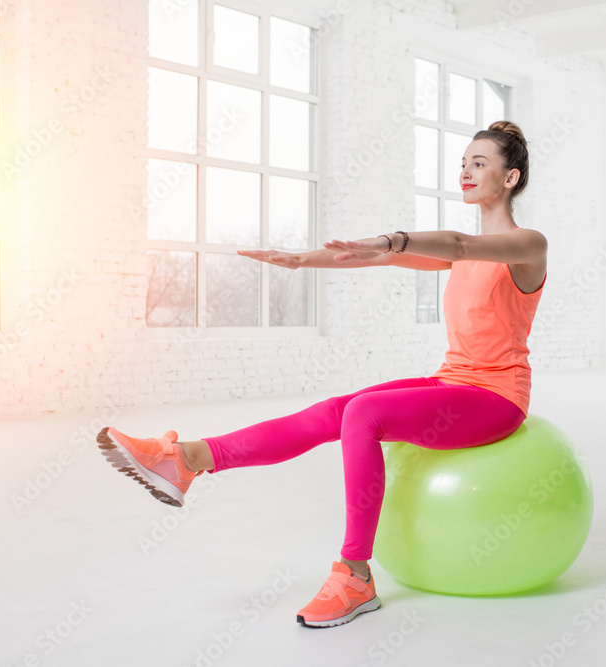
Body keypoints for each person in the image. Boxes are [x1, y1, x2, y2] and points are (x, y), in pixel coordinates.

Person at [97, 120, 547, 628]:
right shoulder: (459, 253)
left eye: (479, 163)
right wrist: (303, 260)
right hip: (452, 381)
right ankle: (186, 460)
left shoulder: (527, 245)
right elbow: (373, 258)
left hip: (497, 399)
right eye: (462, 163)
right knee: (338, 410)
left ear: (510, 178)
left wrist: (393, 238)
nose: (465, 171)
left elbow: (458, 245)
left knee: (366, 414)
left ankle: (354, 576)